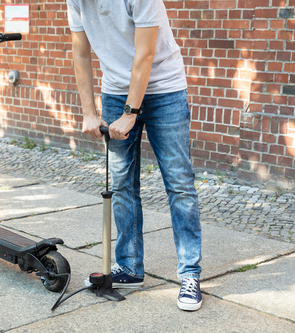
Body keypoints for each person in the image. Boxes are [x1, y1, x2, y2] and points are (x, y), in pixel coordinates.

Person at [66, 0, 203, 311]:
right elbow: (80, 52)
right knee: (122, 184)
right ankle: (129, 268)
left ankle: (190, 274)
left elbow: (145, 54)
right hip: (115, 91)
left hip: (164, 91)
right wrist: (89, 111)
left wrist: (130, 113)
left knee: (179, 184)